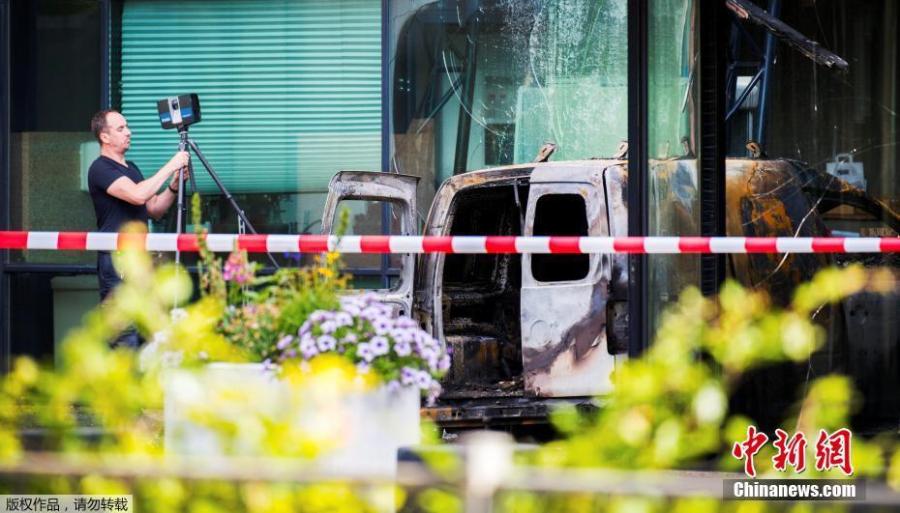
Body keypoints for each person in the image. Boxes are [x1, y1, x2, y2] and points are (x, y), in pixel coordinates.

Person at [87, 109, 189, 347]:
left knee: (148, 331)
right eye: (121, 128)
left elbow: (153, 207)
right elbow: (137, 195)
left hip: (141, 261)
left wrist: (173, 186)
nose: (129, 132)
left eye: (127, 126)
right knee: (124, 333)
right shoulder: (100, 168)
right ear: (105, 137)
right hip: (117, 260)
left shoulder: (130, 167)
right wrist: (171, 166)